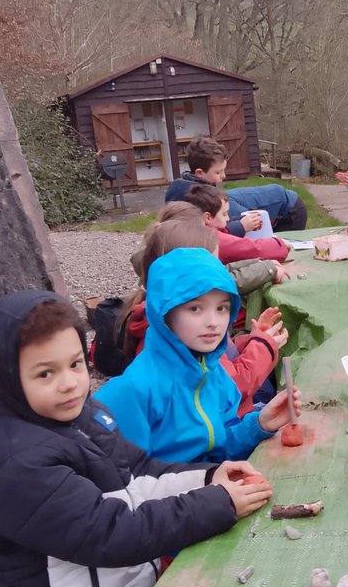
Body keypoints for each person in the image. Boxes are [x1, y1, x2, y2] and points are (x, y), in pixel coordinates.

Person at [0, 290, 273, 587]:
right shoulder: (19, 465)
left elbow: (141, 471)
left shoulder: (88, 416)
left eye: (76, 364)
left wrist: (207, 477)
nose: (69, 384)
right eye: (46, 373)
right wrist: (217, 504)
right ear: (8, 379)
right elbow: (112, 535)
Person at [97, 248, 300, 462]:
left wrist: (259, 424)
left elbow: (218, 450)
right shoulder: (133, 392)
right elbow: (128, 482)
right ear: (163, 314)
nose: (213, 322)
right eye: (195, 309)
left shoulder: (214, 373)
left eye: (222, 308)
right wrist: (207, 481)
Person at [120, 221, 287, 415]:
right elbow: (230, 387)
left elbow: (222, 358)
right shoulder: (167, 347)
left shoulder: (179, 324)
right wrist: (263, 347)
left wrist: (251, 341)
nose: (221, 271)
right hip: (227, 421)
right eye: (195, 309)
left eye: (222, 308)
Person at [164, 136, 307, 232]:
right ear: (199, 173)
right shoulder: (188, 194)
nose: (224, 176)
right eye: (218, 172)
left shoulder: (192, 190)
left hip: (290, 209)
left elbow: (253, 221)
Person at [183, 184, 291, 268]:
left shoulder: (193, 230)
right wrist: (279, 244)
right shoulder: (210, 238)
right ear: (208, 218)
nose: (228, 218)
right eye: (224, 214)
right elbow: (251, 249)